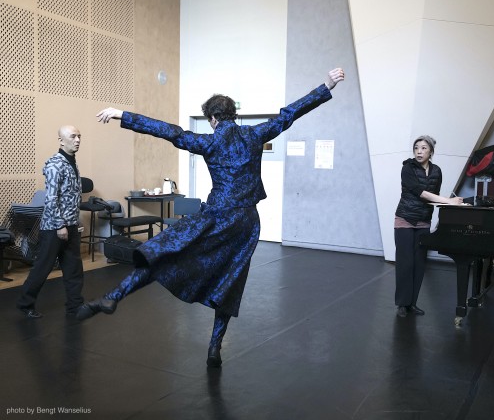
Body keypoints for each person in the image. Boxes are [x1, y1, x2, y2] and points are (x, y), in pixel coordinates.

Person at [77, 68, 345, 367]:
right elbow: (289, 114)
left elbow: (170, 131)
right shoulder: (255, 134)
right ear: (233, 115)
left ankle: (114, 295)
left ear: (213, 119)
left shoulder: (209, 142)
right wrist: (326, 85)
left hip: (215, 217)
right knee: (230, 281)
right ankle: (214, 348)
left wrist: (122, 115)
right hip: (245, 223)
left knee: (164, 255)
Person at [17, 126, 84, 318]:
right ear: (61, 141)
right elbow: (51, 199)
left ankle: (75, 305)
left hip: (70, 225)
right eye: (73, 136)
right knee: (43, 267)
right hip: (54, 227)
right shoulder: (56, 164)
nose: (78, 140)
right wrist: (60, 225)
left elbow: (71, 198)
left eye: (79, 136)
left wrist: (74, 222)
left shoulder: (72, 162)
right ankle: (25, 304)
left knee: (73, 267)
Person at [394, 135, 463, 318]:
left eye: (424, 148)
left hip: (424, 220)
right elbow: (422, 193)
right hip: (405, 219)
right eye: (416, 147)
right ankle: (402, 303)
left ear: (431, 151)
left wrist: (453, 204)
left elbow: (435, 195)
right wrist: (449, 201)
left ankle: (412, 303)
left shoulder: (437, 171)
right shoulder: (407, 168)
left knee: (419, 264)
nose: (419, 151)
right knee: (405, 264)